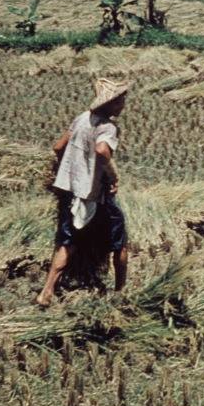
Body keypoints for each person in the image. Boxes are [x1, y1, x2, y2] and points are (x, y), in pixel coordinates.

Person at [37, 78, 130, 307]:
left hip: (71, 193)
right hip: (95, 196)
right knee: (120, 243)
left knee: (67, 243)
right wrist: (114, 176)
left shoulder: (81, 118)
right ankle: (120, 292)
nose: (124, 104)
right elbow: (101, 151)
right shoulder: (108, 127)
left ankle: (46, 292)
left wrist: (71, 170)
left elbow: (58, 147)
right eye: (120, 100)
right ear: (109, 103)